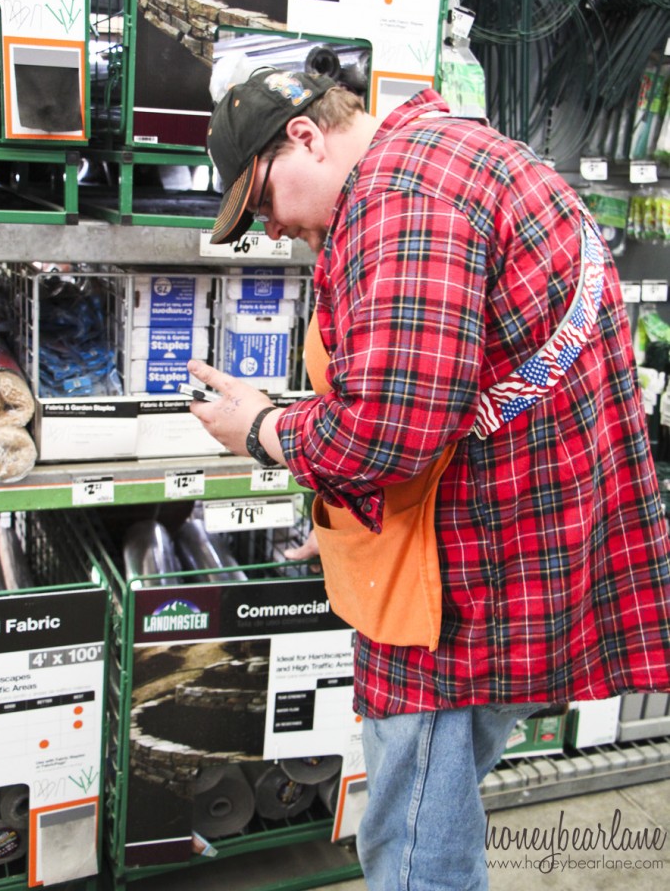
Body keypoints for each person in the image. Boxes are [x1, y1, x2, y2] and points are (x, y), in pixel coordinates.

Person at [187, 67, 670, 890]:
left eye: (263, 202)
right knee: (431, 815)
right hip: (511, 551)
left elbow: (387, 433)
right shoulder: (458, 156)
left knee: (417, 849)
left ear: (305, 136)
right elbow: (437, 389)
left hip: (463, 590)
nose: (268, 229)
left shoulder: (408, 201)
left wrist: (263, 430)